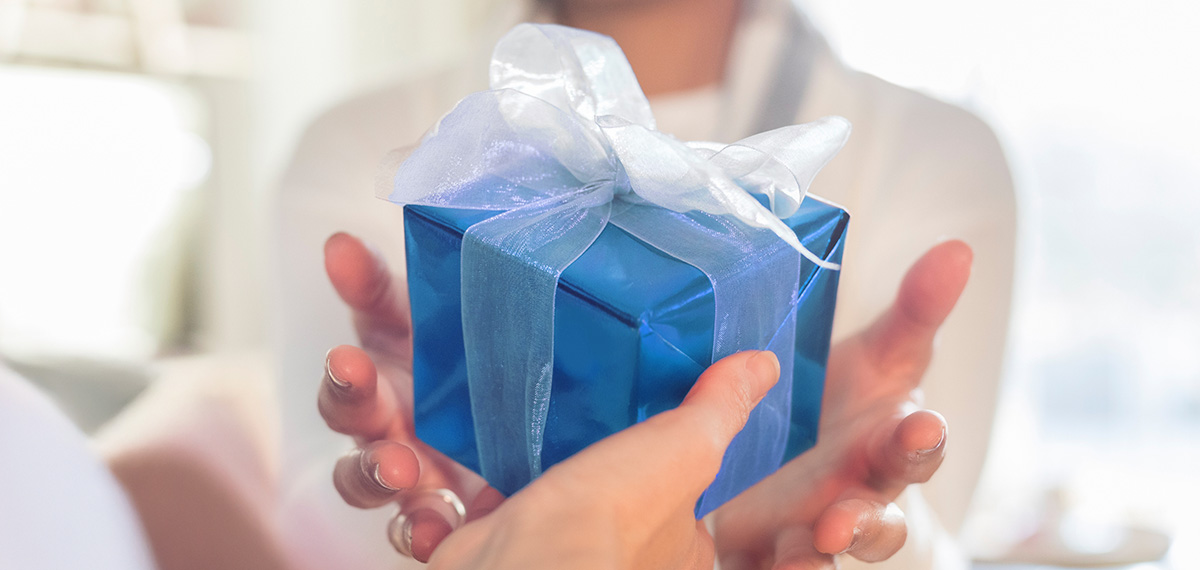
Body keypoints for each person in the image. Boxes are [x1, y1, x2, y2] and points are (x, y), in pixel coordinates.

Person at [276, 0, 1015, 567]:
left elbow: (940, 538)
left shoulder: (934, 154)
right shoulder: (376, 148)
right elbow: (303, 521)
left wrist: (808, 523)